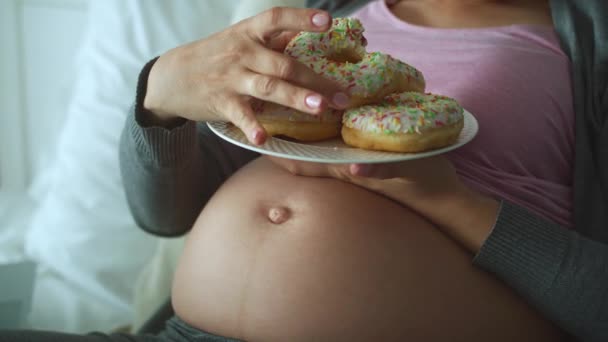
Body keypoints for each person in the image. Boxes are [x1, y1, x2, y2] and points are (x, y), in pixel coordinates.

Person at [2, 0, 606, 341]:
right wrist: (158, 98)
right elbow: (163, 215)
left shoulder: (582, 39)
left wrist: (447, 201)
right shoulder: (325, 19)